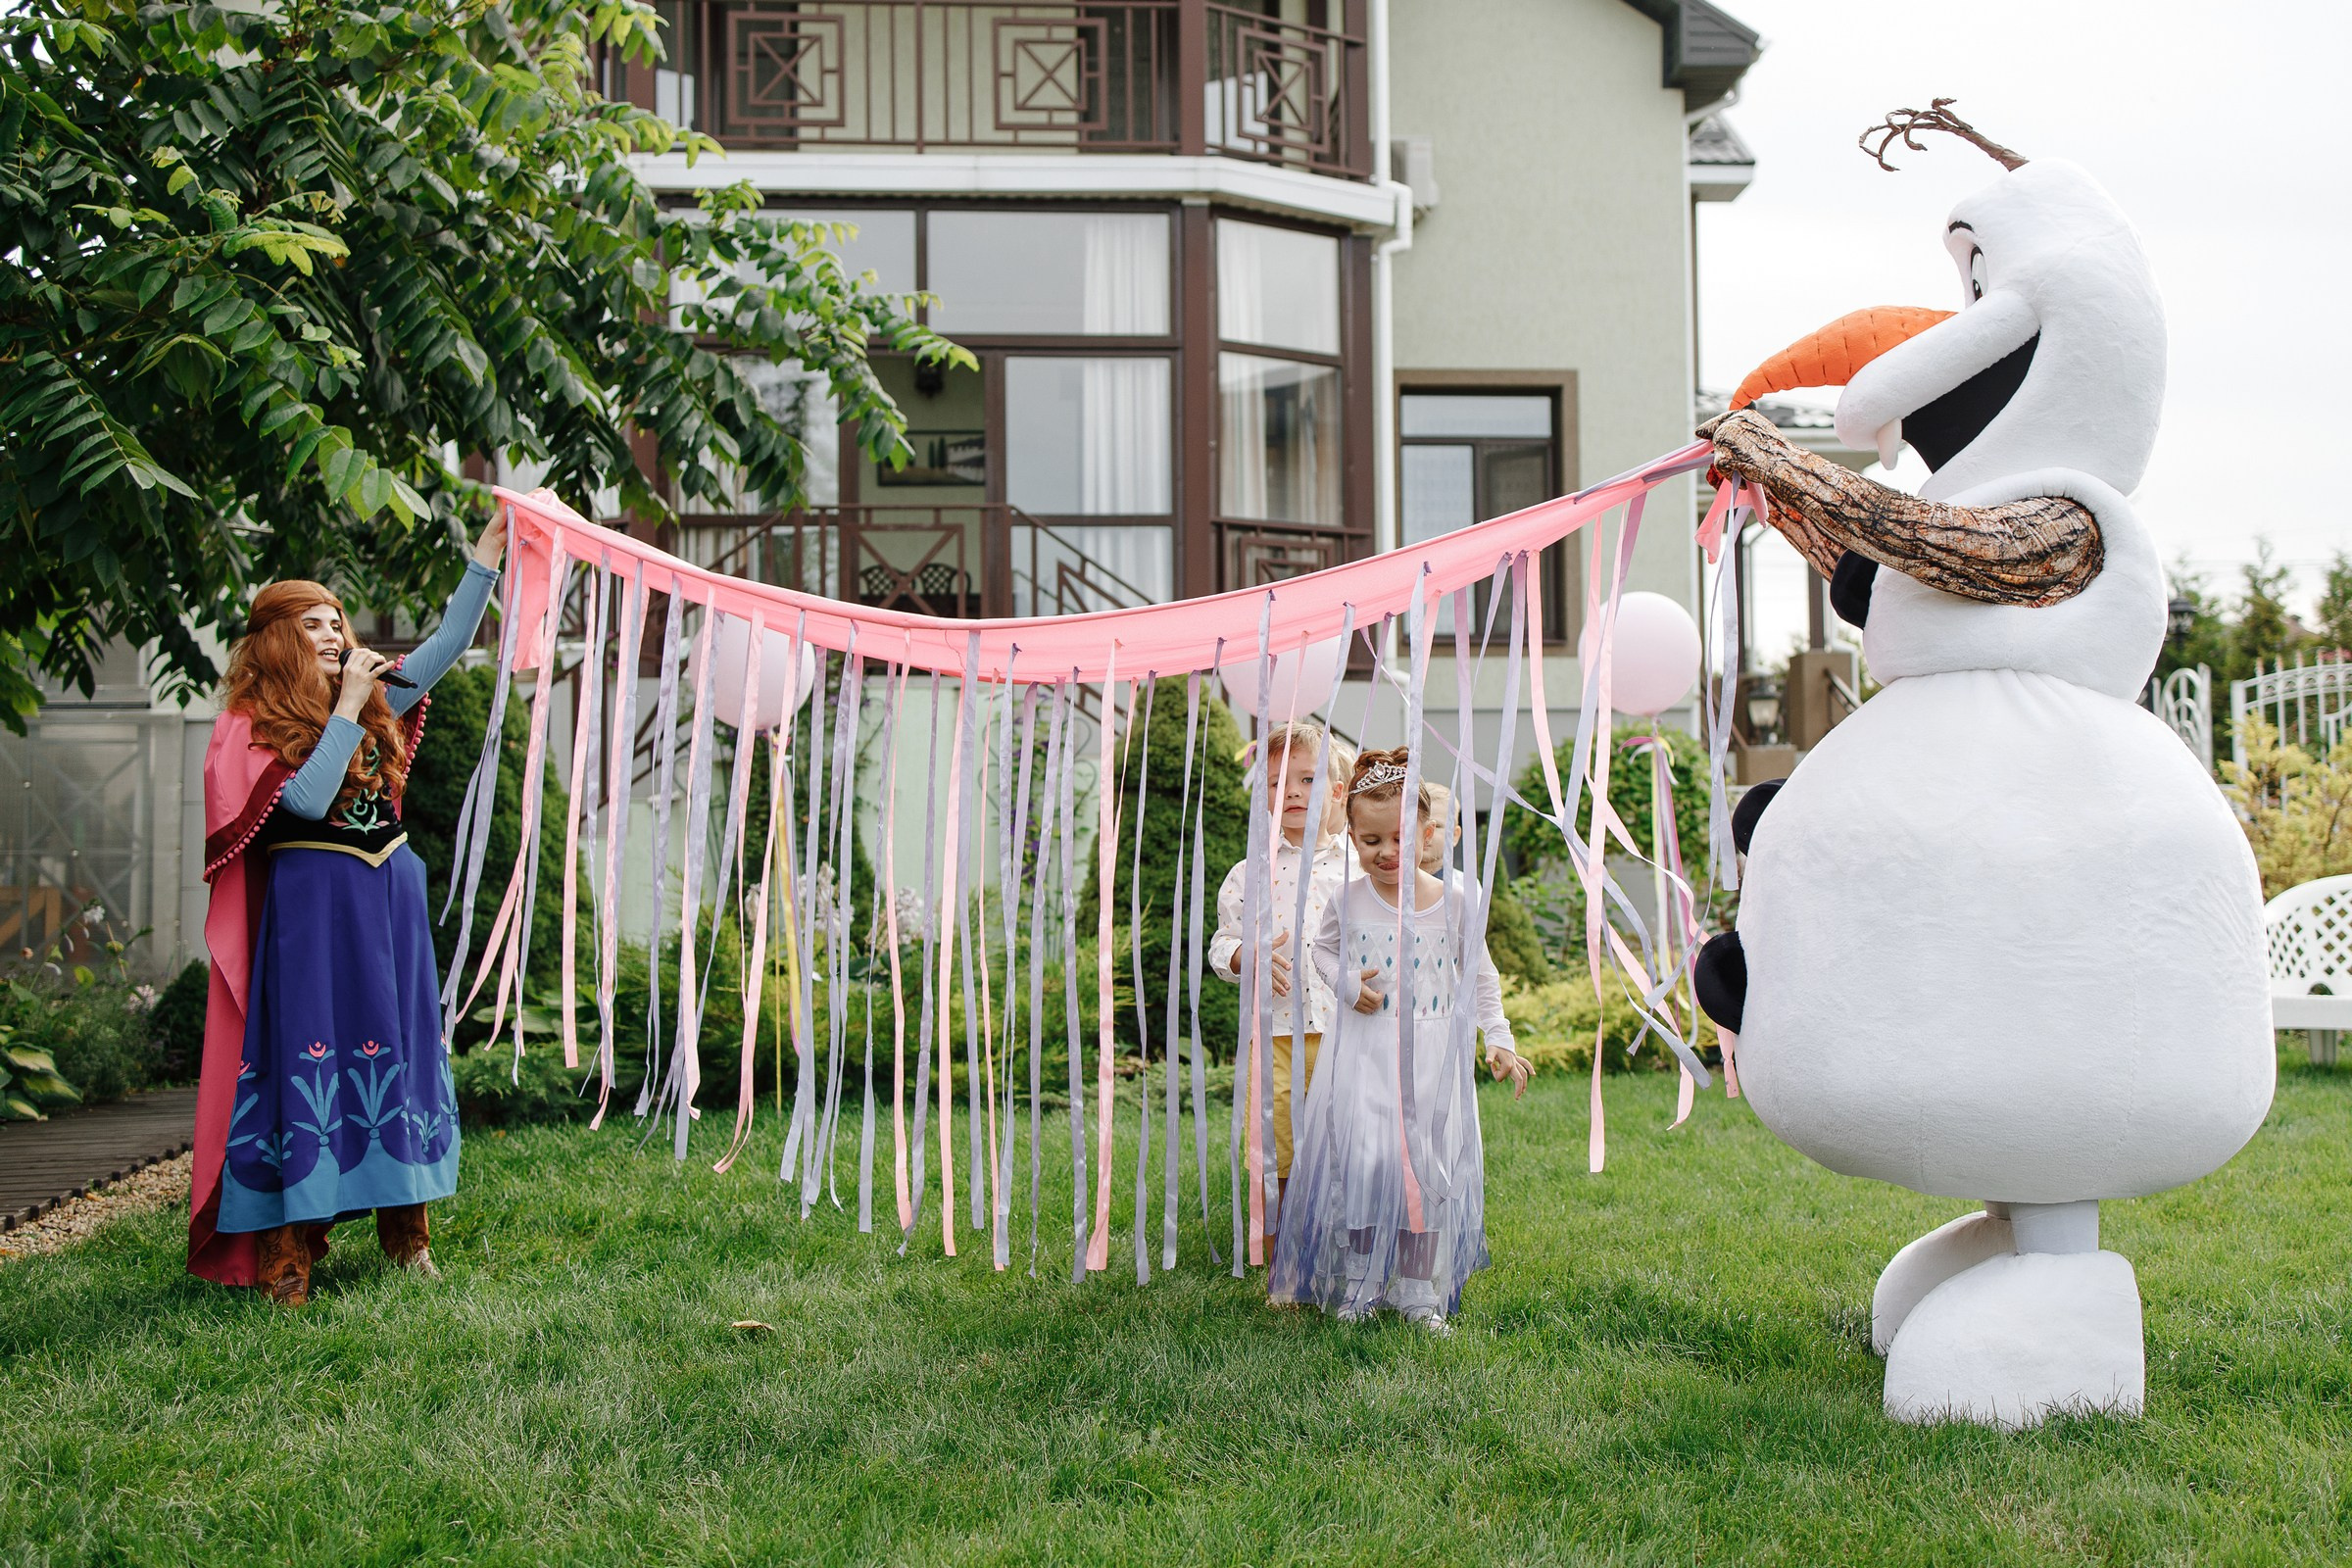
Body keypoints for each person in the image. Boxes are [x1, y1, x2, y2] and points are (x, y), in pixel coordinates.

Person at [189, 510, 509, 1303]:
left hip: (388, 900)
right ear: (276, 640)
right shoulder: (250, 722)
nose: (334, 634)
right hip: (313, 909)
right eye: (313, 624)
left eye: (337, 621)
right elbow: (304, 800)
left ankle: (409, 1240)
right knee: (314, 1053)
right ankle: (288, 1257)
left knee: (396, 1052)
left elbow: (446, 647)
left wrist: (486, 560)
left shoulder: (370, 698)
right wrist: (346, 705)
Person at [1272, 747, 1531, 1334]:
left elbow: (1479, 972)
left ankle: (1418, 1294)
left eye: (1400, 841)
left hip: (1431, 1060)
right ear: (1353, 837)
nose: (1387, 854)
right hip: (1363, 1054)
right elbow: (1322, 951)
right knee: (1364, 1166)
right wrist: (1343, 982)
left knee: (1425, 1171)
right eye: (1371, 843)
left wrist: (1498, 1037)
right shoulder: (1348, 898)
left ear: (1428, 833)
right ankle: (1361, 1285)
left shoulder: (1456, 902)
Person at [1208, 719, 1348, 1247]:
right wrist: (1246, 954)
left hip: (1345, 1032)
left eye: (1307, 779)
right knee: (1277, 1148)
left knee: (1344, 1140)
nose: (1290, 790)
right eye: (1276, 782)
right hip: (1277, 1036)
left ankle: (1341, 1247)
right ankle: (1281, 1258)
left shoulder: (1356, 869)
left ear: (1336, 791)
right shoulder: (1249, 874)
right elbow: (1222, 945)